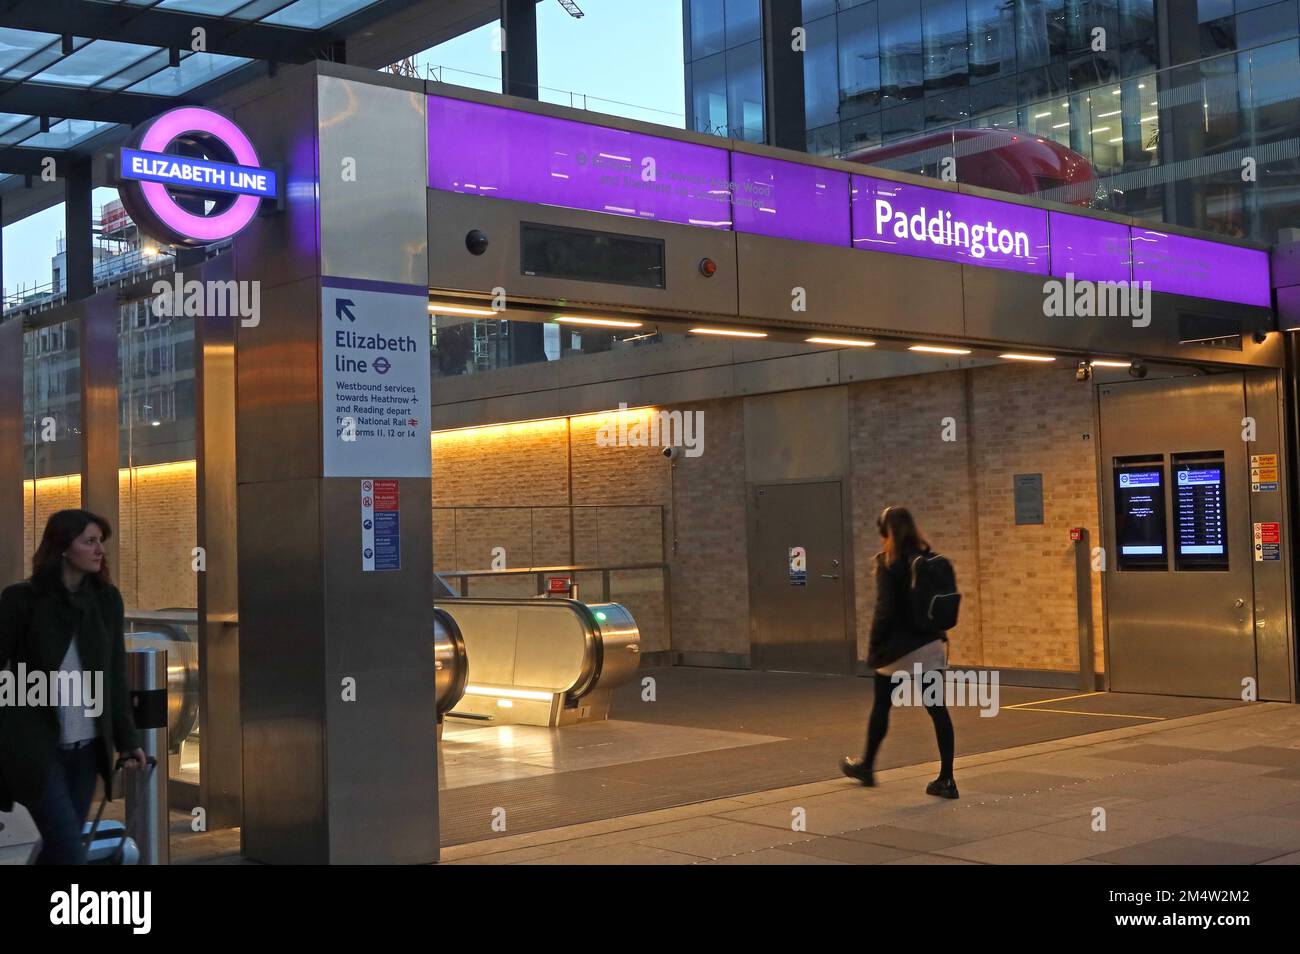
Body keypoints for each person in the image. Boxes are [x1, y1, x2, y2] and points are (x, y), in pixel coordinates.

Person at [0, 509, 145, 864]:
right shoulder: (22, 600)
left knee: (59, 848)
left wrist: (127, 742)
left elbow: (114, 674)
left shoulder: (106, 601)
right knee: (68, 849)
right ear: (64, 547)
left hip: (86, 748)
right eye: (90, 541)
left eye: (101, 542)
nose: (99, 550)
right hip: (36, 746)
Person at [841, 506, 958, 798]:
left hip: (899, 650)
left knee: (882, 704)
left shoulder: (888, 562)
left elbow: (885, 610)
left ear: (885, 531)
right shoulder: (930, 559)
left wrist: (875, 646)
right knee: (937, 710)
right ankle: (947, 778)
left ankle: (867, 766)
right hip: (931, 646)